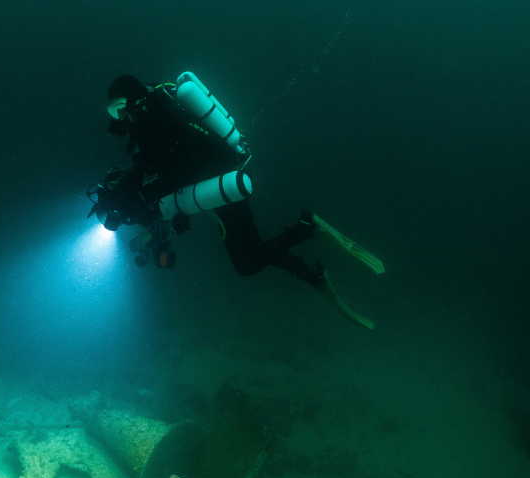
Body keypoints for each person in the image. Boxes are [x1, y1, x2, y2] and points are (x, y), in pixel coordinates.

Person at [89, 74, 383, 329]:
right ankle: (310, 266)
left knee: (246, 262)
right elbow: (158, 164)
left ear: (133, 100)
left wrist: (147, 195)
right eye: (112, 112)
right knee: (250, 253)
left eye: (118, 109)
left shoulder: (157, 117)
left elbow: (182, 164)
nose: (119, 118)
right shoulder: (153, 111)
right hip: (214, 186)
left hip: (220, 182)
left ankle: (307, 231)